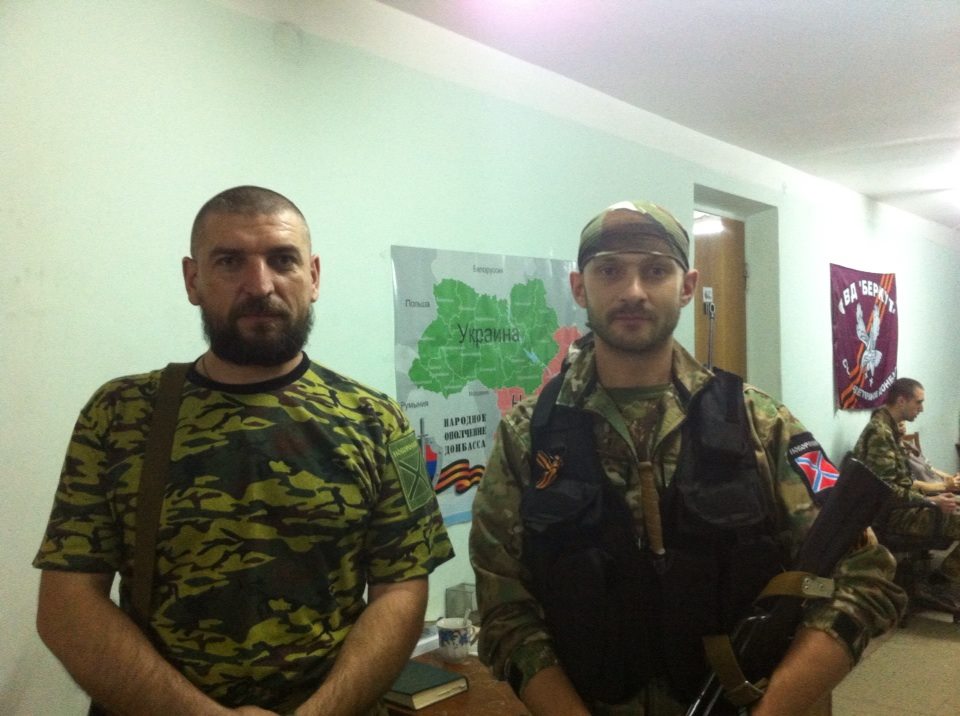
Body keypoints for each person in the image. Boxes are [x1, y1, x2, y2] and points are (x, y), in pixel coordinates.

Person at [470, 200, 905, 716]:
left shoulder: (759, 423)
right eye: (609, 270)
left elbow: (864, 574)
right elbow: (504, 613)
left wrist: (773, 709)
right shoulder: (529, 437)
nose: (633, 291)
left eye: (656, 270)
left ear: (687, 286)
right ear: (580, 288)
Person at [34, 186, 454, 715]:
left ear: (314, 277)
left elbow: (402, 590)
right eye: (230, 262)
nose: (260, 285)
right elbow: (67, 605)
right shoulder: (119, 414)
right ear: (193, 280)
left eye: (283, 260)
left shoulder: (377, 422)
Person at [853, 379, 960, 601]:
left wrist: (936, 495)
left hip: (904, 506)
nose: (921, 409)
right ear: (901, 401)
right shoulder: (880, 433)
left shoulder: (890, 429)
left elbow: (903, 481)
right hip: (891, 516)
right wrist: (932, 501)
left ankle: (941, 579)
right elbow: (886, 491)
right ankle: (940, 581)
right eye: (918, 402)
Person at [896, 420, 960, 494]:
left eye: (903, 422)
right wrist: (945, 486)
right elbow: (911, 485)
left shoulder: (910, 445)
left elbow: (930, 468)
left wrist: (953, 480)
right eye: (898, 422)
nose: (903, 424)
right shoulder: (895, 454)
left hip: (941, 487)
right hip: (930, 493)